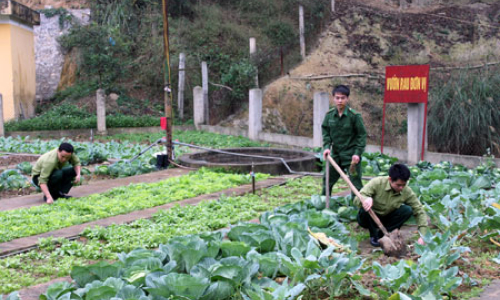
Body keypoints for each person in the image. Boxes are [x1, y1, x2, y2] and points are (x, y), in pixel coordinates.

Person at [354, 164, 428, 247]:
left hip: (387, 219)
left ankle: (383, 234)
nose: (401, 188)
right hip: (369, 218)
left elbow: (419, 210)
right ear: (390, 179)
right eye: (398, 185)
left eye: (404, 185)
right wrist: (366, 199)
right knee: (365, 208)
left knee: (407, 210)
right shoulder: (377, 183)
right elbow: (357, 199)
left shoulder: (406, 191)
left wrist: (423, 236)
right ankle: (373, 235)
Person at [322, 84, 367, 196]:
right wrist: (327, 148)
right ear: (333, 98)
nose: (340, 100)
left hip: (351, 157)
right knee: (327, 180)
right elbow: (326, 132)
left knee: (355, 184)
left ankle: (357, 209)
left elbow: (361, 135)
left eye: (343, 98)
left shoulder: (354, 116)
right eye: (337, 98)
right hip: (336, 155)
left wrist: (357, 153)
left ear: (347, 99)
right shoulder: (329, 115)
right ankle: (324, 205)